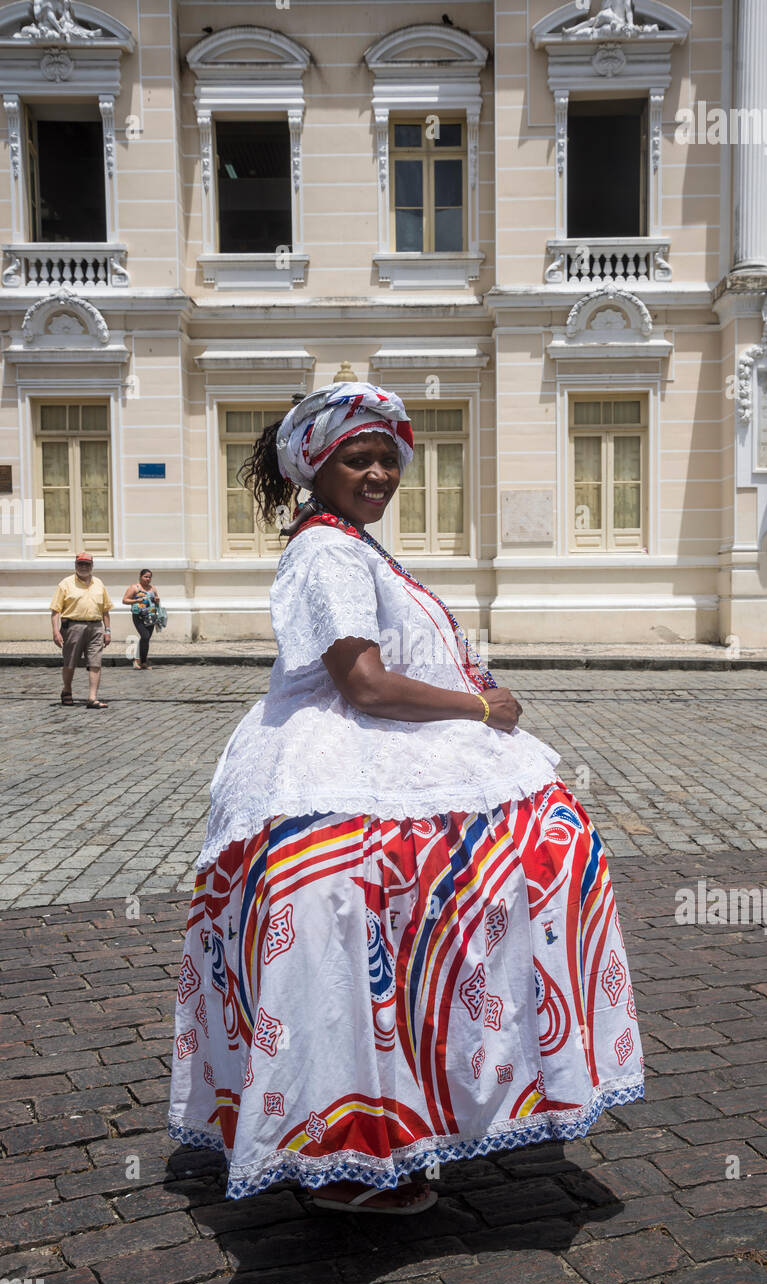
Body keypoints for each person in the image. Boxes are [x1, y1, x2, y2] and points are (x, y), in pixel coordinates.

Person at [168, 382, 644, 1214]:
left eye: (390, 457)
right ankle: (351, 1145)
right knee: (362, 944)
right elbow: (365, 684)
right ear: (316, 466)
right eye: (359, 456)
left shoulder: (355, 546)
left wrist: (469, 685)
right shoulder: (325, 552)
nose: (380, 471)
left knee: (411, 937)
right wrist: (477, 706)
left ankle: (413, 1114)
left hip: (371, 761)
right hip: (338, 762)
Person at [49, 552, 112, 709]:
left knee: (95, 662)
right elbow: (55, 611)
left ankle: (92, 698)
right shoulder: (65, 584)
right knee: (70, 662)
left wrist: (108, 630)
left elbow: (105, 610)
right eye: (80, 564)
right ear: (75, 565)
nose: (83, 567)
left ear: (92, 566)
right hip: (73, 627)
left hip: (96, 627)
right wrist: (56, 631)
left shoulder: (99, 584)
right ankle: (67, 690)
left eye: (87, 564)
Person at [122, 568, 160, 669]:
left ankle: (143, 662)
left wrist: (157, 600)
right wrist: (136, 600)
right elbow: (125, 600)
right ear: (140, 576)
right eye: (145, 576)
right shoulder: (134, 587)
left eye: (149, 577)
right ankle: (136, 660)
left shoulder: (153, 588)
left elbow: (156, 601)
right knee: (145, 636)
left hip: (151, 616)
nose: (148, 579)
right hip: (138, 616)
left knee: (146, 639)